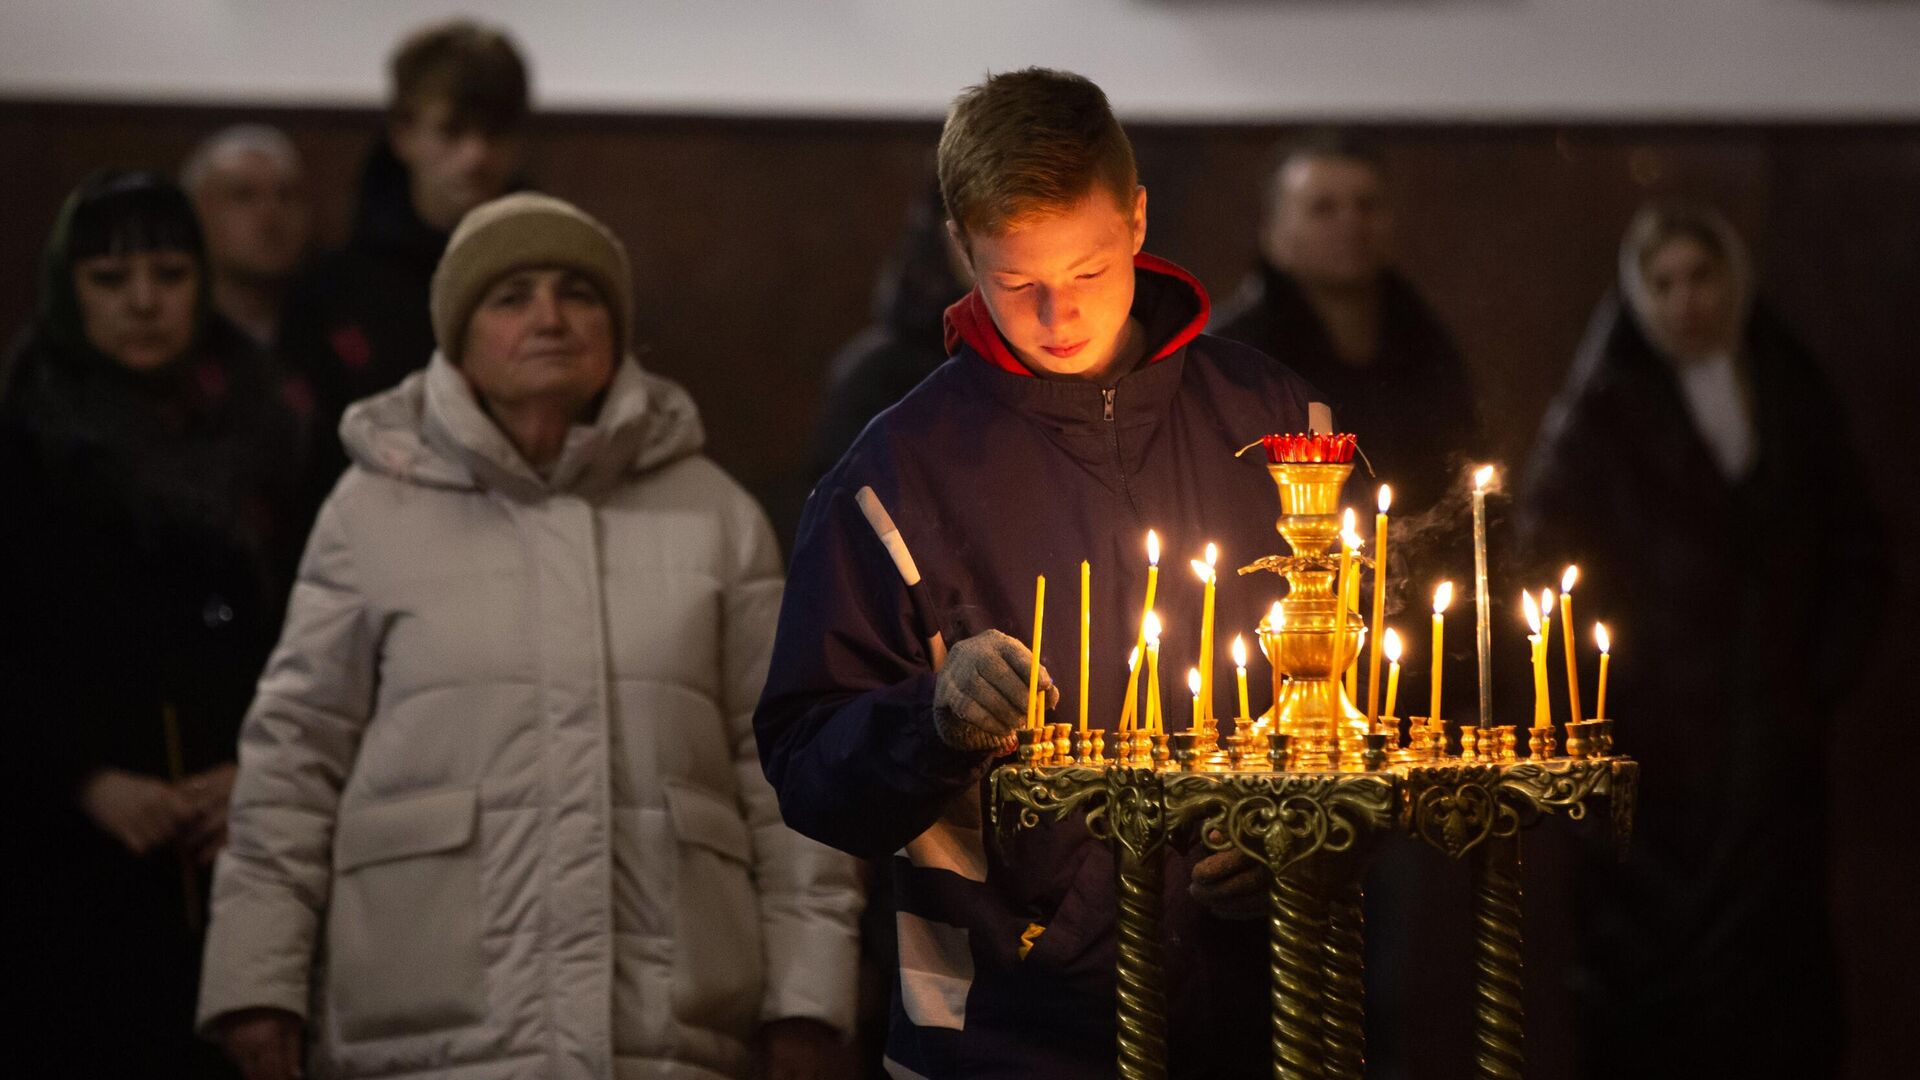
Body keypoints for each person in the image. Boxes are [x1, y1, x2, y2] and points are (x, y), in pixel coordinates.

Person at [196, 193, 861, 1080]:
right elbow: (294, 758)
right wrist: (257, 981)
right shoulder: (370, 513)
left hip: (669, 1040)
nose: (549, 317)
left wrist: (809, 1002)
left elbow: (790, 778)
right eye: (511, 296)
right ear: (458, 339)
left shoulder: (713, 515)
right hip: (427, 1034)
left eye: (577, 294)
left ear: (616, 331)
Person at [754, 68, 1325, 1079]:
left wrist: (1308, 835)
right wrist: (929, 720)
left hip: (1262, 1021)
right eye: (1016, 282)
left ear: (1139, 218)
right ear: (959, 252)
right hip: (1000, 1038)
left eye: (1091, 270)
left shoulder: (1279, 426)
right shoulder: (897, 476)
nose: (1059, 313)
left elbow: (1377, 691)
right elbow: (806, 761)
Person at [1515, 200, 1885, 1079]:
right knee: (1655, 990)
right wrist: (1624, 690)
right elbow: (1548, 558)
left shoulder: (1791, 391)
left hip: (1774, 749)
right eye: (1665, 282)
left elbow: (1856, 549)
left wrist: (1810, 681)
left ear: (1735, 282)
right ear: (1641, 296)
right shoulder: (1602, 411)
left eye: (1703, 276)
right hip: (1652, 758)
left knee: (1776, 984)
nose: (1687, 300)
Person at [1, 170, 310, 1078]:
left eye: (170, 274)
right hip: (63, 866)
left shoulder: (273, 427)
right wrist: (86, 778)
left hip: (243, 844)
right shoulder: (25, 445)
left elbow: (316, 633)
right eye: (108, 280)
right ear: (68, 290)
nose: (144, 303)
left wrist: (260, 767)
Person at [279, 19, 530, 455]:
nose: (476, 155)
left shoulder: (551, 280)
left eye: (495, 133)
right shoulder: (333, 291)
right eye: (452, 131)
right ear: (404, 134)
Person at [1211, 132, 1480, 523]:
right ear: (1275, 234)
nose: (1351, 224)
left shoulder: (1428, 347)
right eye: (1323, 209)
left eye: (1367, 206)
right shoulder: (1232, 358)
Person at [181, 124, 313, 349]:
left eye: (286, 196)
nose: (270, 215)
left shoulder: (334, 334)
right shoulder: (173, 340)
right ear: (195, 213)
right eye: (242, 195)